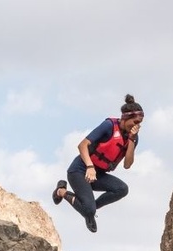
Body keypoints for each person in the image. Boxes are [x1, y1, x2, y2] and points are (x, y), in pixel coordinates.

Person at [52, 94, 144, 233]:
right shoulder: (109, 126)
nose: (137, 126)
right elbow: (82, 145)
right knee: (88, 210)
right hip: (80, 170)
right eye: (135, 122)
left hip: (98, 175)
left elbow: (127, 164)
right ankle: (61, 191)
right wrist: (89, 166)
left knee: (122, 189)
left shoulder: (133, 138)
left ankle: (89, 210)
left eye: (140, 123)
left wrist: (132, 140)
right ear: (125, 118)